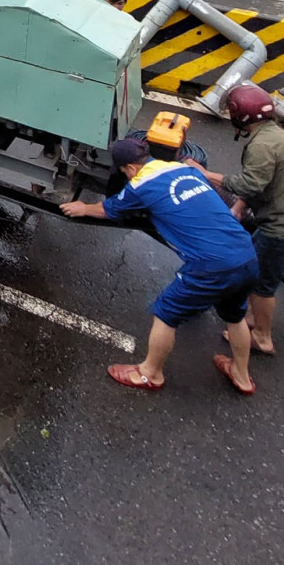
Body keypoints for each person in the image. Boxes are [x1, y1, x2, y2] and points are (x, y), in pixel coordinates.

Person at [61, 137, 261, 396]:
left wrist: (83, 207)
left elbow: (109, 210)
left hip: (211, 266)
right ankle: (242, 376)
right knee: (235, 316)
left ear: (130, 168)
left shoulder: (140, 185)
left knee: (166, 312)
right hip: (245, 253)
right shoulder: (183, 169)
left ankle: (149, 373)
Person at [203, 84, 284, 357]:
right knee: (258, 271)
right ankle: (253, 320)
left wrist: (206, 174)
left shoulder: (261, 144)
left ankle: (262, 337)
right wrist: (238, 208)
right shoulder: (274, 136)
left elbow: (250, 183)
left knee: (262, 283)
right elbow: (263, 184)